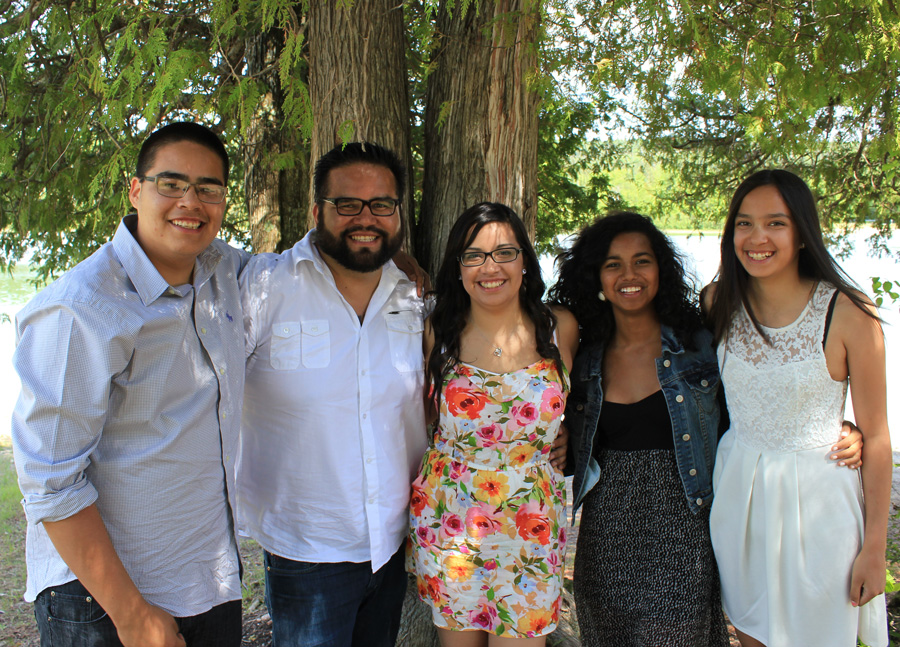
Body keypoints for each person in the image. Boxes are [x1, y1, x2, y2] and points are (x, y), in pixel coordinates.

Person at [551, 212, 866, 647]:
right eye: (613, 265)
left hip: (687, 527)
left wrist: (840, 424)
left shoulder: (699, 341)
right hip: (607, 536)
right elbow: (548, 428)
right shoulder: (583, 359)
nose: (629, 275)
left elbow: (763, 390)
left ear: (661, 269)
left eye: (642, 261)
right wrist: (561, 440)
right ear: (597, 278)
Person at [12, 122, 246, 647]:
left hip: (205, 581)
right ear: (135, 190)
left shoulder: (220, 271)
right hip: (106, 602)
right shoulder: (84, 307)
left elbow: (300, 275)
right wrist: (132, 614)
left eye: (208, 188)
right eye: (171, 184)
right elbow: (49, 480)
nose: (191, 201)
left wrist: (393, 265)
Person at [238, 142, 428, 647]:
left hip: (392, 543)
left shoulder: (414, 296)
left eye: (381, 205)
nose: (365, 218)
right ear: (317, 210)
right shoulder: (263, 286)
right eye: (347, 204)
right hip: (306, 549)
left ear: (397, 213)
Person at [705, 169, 891, 647]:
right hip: (740, 496)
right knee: (752, 637)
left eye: (776, 223)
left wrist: (875, 547)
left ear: (803, 233)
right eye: (744, 224)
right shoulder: (715, 301)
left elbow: (880, 434)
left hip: (820, 502)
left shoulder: (850, 312)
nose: (757, 238)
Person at [409, 202, 579, 645]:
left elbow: (585, 404)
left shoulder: (560, 327)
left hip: (532, 523)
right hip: (452, 522)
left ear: (525, 259)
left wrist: (568, 436)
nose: (490, 267)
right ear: (459, 267)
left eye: (505, 252)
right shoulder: (434, 332)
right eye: (474, 255)